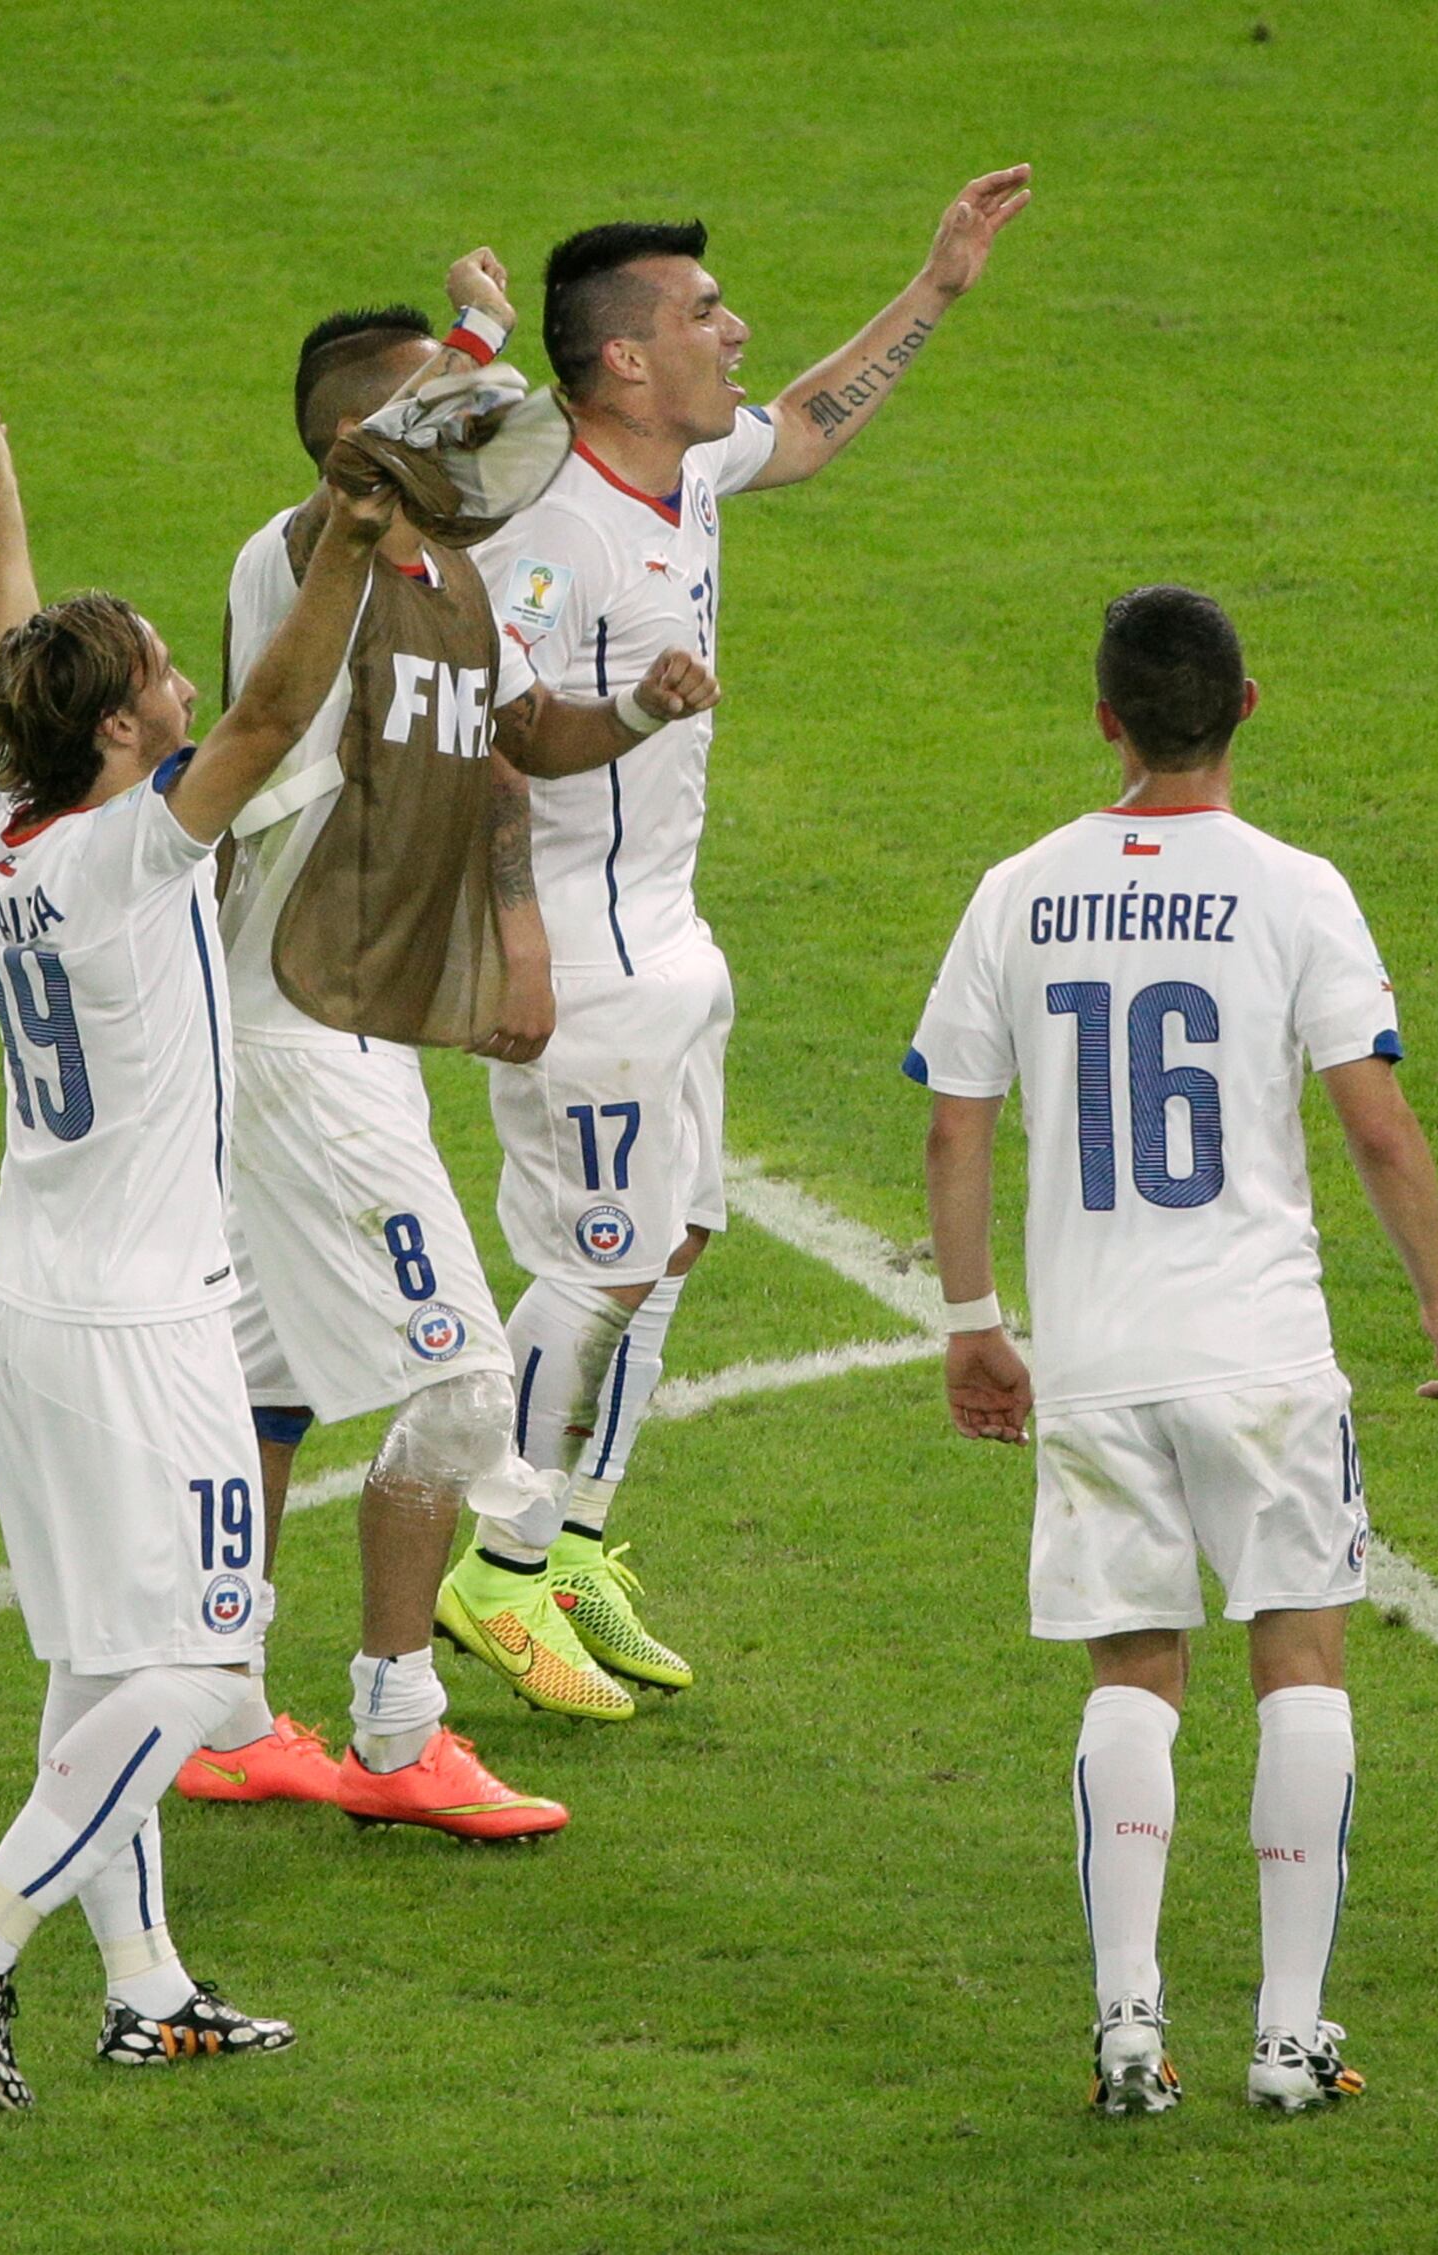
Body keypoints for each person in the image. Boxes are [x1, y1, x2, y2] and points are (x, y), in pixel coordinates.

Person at [907, 585, 1438, 2115]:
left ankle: (1124, 2030)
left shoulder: (1017, 890)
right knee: (1299, 1654)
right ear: (1248, 704)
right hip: (1263, 1355)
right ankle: (1291, 2039)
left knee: (1131, 1676)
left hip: (1096, 1357)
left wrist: (976, 1325)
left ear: (1104, 718)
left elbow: (954, 1126)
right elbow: (1373, 1118)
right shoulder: (1298, 890)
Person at [0, 378, 391, 2105]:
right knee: (207, 1665)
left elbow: (11, 649)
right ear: (116, 741)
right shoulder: (128, 856)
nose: (181, 690)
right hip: (145, 1331)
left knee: (102, 1657)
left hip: (37, 1310)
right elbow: (273, 707)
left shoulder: (1, 821)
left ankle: (145, 1981)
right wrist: (355, 553)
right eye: (154, 676)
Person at [465, 168, 1031, 1686]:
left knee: (677, 1238)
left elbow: (811, 423)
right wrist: (521, 937)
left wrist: (937, 288)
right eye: (703, 313)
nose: (735, 329)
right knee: (599, 1261)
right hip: (577, 954)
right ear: (626, 362)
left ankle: (575, 1539)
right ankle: (495, 1564)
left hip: (669, 931)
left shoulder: (687, 475)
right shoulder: (549, 534)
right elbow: (492, 737)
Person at [185, 253, 722, 1838]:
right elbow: (363, 467)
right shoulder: (302, 562)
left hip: (366, 1031)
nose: (492, 422)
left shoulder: (456, 579)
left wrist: (631, 717)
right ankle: (397, 1729)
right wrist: (477, 332)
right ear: (369, 440)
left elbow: (522, 743)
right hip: (296, 1031)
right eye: (456, 403)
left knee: (268, 1385)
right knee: (469, 1384)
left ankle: (220, 1710)